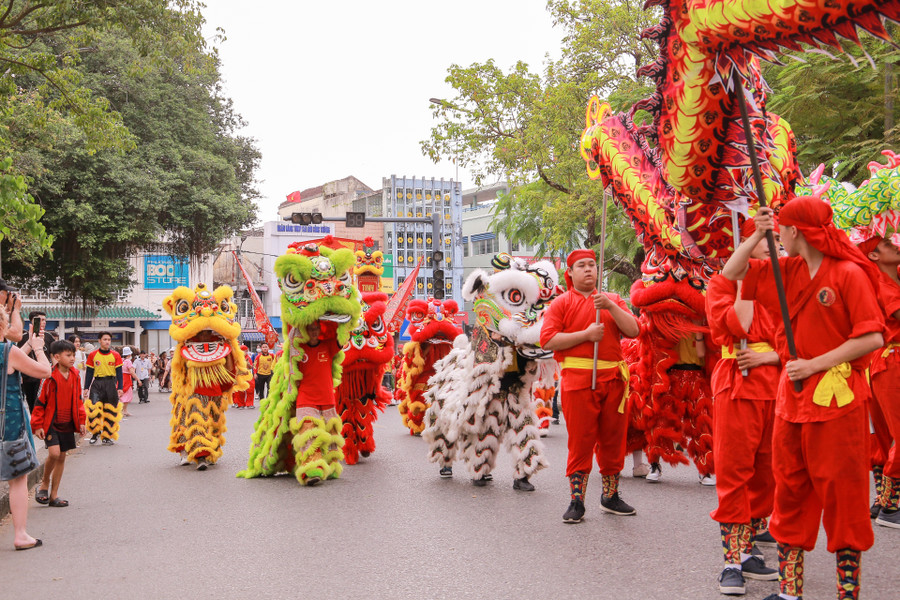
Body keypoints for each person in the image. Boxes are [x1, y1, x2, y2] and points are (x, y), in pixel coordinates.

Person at [721, 199, 884, 600]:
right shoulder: (785, 271)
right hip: (792, 402)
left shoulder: (847, 273)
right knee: (790, 492)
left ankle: (848, 593)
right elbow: (732, 272)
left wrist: (813, 365)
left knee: (843, 498)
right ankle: (790, 592)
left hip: (837, 400)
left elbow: (872, 337)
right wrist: (756, 232)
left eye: (780, 231)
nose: (777, 237)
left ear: (796, 232)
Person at [706, 218, 781, 594]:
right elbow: (739, 326)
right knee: (735, 470)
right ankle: (731, 562)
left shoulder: (785, 283)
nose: (772, 244)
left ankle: (750, 547)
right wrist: (747, 282)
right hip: (738, 383)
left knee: (768, 473)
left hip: (778, 384)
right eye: (763, 237)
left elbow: (806, 338)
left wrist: (770, 360)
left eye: (776, 238)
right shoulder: (722, 285)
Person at [540, 248, 640, 524]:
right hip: (578, 382)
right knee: (581, 441)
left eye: (592, 265)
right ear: (570, 273)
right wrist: (585, 335)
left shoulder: (612, 300)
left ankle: (610, 496)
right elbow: (547, 340)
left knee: (613, 440)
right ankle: (577, 500)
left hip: (613, 381)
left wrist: (610, 307)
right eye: (581, 266)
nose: (588, 270)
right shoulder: (561, 303)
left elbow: (634, 330)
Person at [857, 235, 900, 529]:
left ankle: (882, 500)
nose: (895, 245)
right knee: (893, 433)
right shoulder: (882, 285)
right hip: (890, 362)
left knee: (885, 434)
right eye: (886, 244)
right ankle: (891, 507)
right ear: (873, 256)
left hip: (884, 362)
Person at [1, 304, 51, 550]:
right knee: (18, 479)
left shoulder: (10, 352)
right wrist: (39, 350)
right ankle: (20, 534)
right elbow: (45, 371)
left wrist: (28, 345)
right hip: (8, 425)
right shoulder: (7, 351)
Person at [31, 340, 86, 508]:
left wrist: (82, 421)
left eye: (73, 355)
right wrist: (37, 424)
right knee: (54, 453)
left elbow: (78, 401)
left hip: (68, 423)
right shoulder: (48, 377)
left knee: (62, 456)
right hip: (52, 423)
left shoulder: (75, 375)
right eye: (68, 355)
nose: (72, 359)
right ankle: (44, 483)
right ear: (56, 357)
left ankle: (54, 495)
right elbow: (39, 403)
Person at [82, 332, 124, 445]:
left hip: (111, 383)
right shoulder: (93, 355)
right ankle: (95, 433)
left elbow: (119, 373)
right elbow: (89, 373)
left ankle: (106, 436)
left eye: (109, 340)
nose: (107, 342)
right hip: (97, 384)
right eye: (105, 339)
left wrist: (120, 387)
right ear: (99, 341)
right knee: (93, 410)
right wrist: (86, 388)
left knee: (110, 411)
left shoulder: (116, 355)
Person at [17, 310, 54, 411]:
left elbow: (53, 356)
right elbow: (19, 356)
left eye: (45, 320)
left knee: (43, 403)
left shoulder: (49, 337)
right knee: (31, 403)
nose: (43, 322)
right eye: (40, 320)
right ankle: (34, 423)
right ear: (32, 322)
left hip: (44, 376)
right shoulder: (23, 338)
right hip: (28, 376)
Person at [120, 346, 135, 417]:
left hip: (121, 378)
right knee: (127, 395)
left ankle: (124, 410)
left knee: (122, 394)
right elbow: (132, 372)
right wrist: (137, 379)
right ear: (129, 355)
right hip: (127, 379)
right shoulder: (128, 361)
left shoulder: (121, 360)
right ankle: (123, 410)